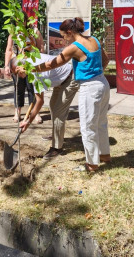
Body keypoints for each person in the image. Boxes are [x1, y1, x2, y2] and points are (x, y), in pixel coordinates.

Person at [19, 17, 110, 172]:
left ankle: (92, 165)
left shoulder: (74, 47)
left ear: (70, 32)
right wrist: (95, 71)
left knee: (88, 126)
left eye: (64, 36)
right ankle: (104, 155)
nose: (64, 39)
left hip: (89, 88)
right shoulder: (94, 39)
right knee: (101, 122)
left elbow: (50, 64)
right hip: (103, 83)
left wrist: (29, 69)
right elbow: (106, 60)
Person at [10, 52, 79, 158]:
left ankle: (57, 148)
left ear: (21, 67)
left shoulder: (36, 72)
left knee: (58, 111)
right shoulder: (31, 63)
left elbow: (40, 101)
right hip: (60, 81)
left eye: (16, 73)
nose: (17, 77)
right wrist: (28, 119)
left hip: (70, 78)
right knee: (53, 106)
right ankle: (56, 135)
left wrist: (28, 122)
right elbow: (38, 99)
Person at [4, 13, 44, 123]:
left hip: (31, 65)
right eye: (18, 20)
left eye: (22, 20)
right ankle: (17, 112)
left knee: (33, 89)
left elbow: (41, 48)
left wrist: (40, 63)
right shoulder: (13, 33)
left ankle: (35, 113)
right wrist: (7, 65)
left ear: (26, 20)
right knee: (18, 88)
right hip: (17, 66)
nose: (20, 22)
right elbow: (8, 50)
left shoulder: (34, 32)